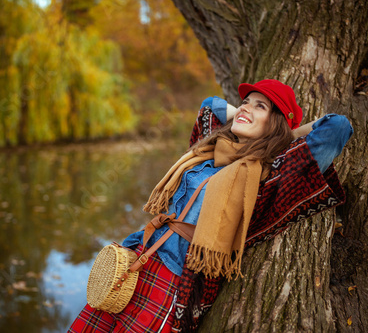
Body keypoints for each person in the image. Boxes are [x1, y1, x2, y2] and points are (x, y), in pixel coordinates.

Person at [68, 79, 353, 333]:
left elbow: (337, 128)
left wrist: (285, 134)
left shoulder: (269, 175)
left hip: (175, 282)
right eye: (245, 102)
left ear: (276, 122)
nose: (245, 109)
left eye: (261, 106)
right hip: (135, 260)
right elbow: (211, 106)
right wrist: (247, 115)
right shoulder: (211, 149)